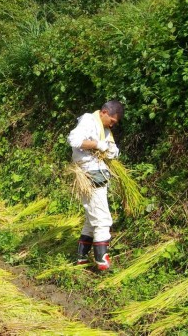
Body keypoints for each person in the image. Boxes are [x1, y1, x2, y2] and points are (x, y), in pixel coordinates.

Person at [67, 100, 124, 271]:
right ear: (105, 112)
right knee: (102, 218)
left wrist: (111, 150)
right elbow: (74, 140)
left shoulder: (105, 129)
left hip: (99, 173)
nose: (112, 125)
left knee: (91, 220)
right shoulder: (89, 120)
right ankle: (102, 260)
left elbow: (111, 149)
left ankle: (82, 258)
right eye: (112, 121)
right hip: (89, 174)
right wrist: (97, 145)